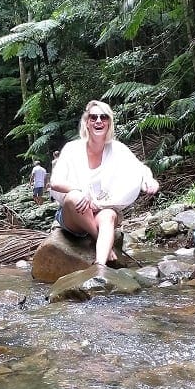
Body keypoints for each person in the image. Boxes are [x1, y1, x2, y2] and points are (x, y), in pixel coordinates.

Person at [49, 100, 159, 266]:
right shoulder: (72, 148)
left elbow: (141, 168)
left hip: (102, 210)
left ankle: (100, 268)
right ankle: (99, 238)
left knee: (108, 215)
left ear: (109, 123)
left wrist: (149, 180)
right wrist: (80, 191)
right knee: (74, 197)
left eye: (104, 117)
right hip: (75, 214)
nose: (99, 121)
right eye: (93, 117)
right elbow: (55, 182)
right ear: (87, 122)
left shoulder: (118, 149)